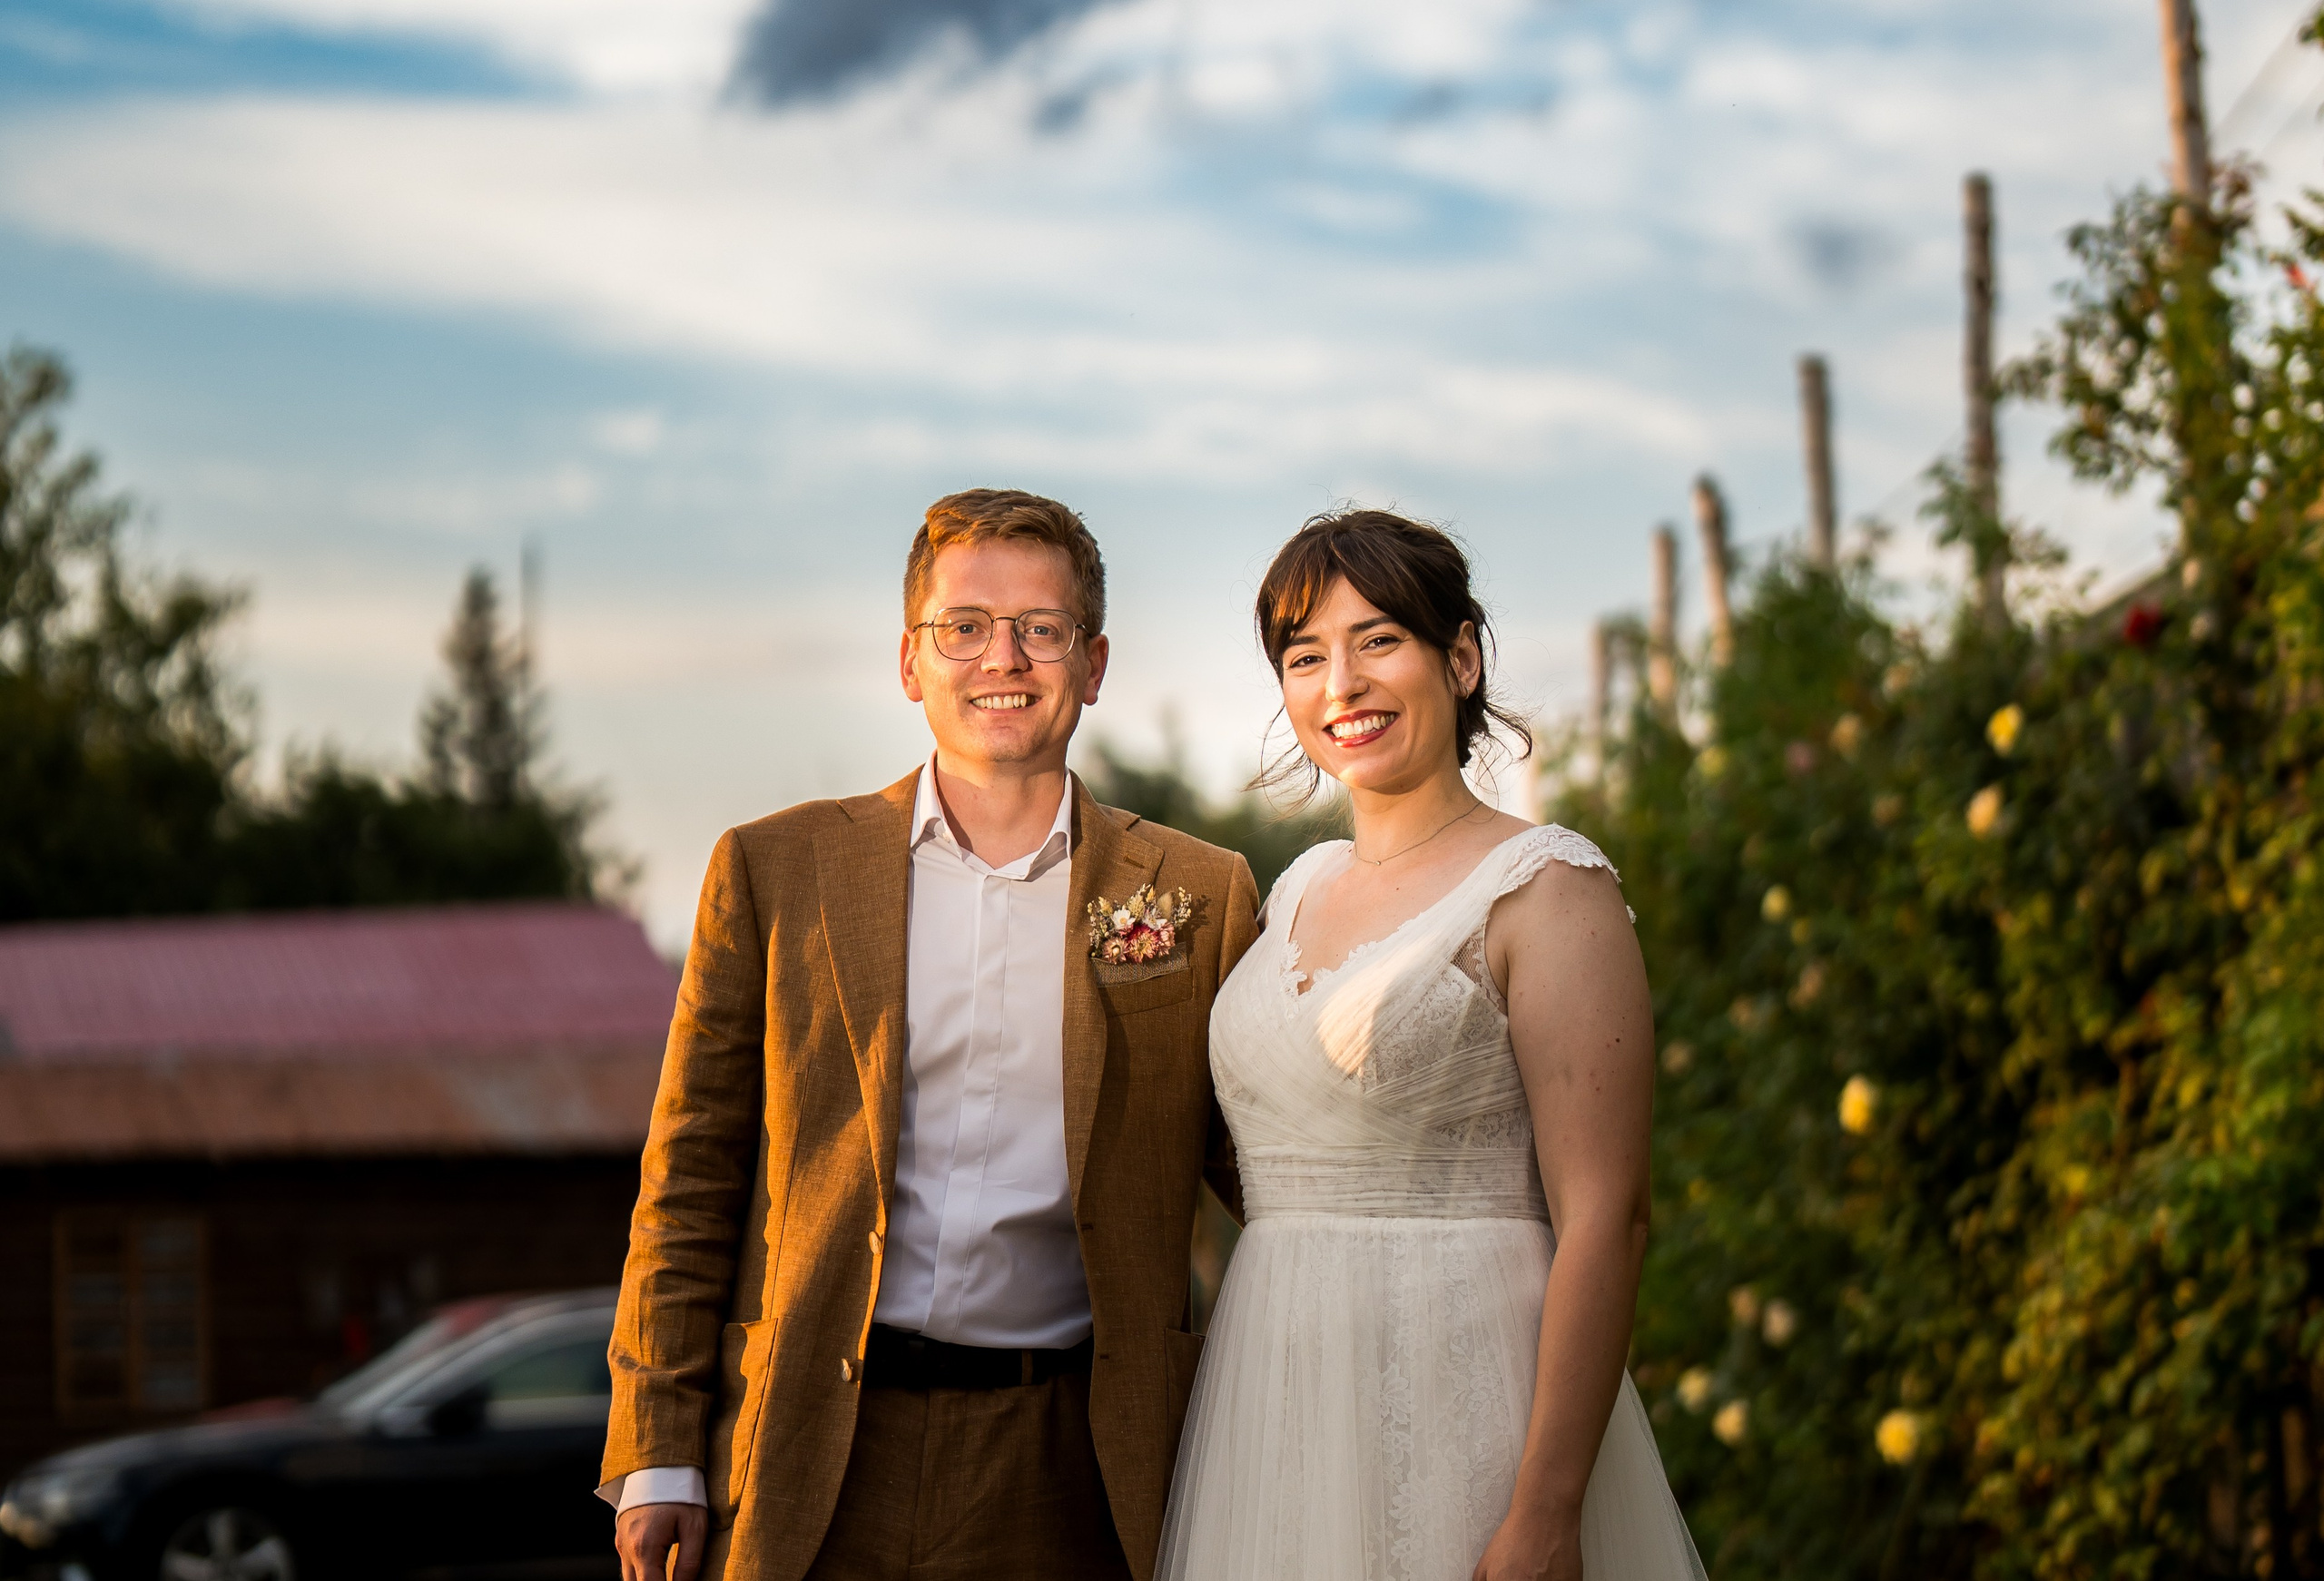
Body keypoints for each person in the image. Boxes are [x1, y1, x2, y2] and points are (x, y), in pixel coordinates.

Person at [601, 489, 1260, 1581]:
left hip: (1075, 1457)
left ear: (1092, 665)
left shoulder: (1201, 891)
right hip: (811, 1436)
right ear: (911, 662)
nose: (1003, 655)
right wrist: (660, 1451)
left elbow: (1272, 1168)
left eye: (1041, 628)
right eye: (963, 625)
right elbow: (690, 1177)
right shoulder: (775, 870)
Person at [1157, 509, 1705, 1581]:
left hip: (1465, 1398)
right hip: (1272, 1406)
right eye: (1305, 655)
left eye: (1378, 640)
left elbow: (1609, 1213)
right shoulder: (1297, 888)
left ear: (1459, 657)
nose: (1340, 685)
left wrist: (1547, 1506)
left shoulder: (1545, 886)